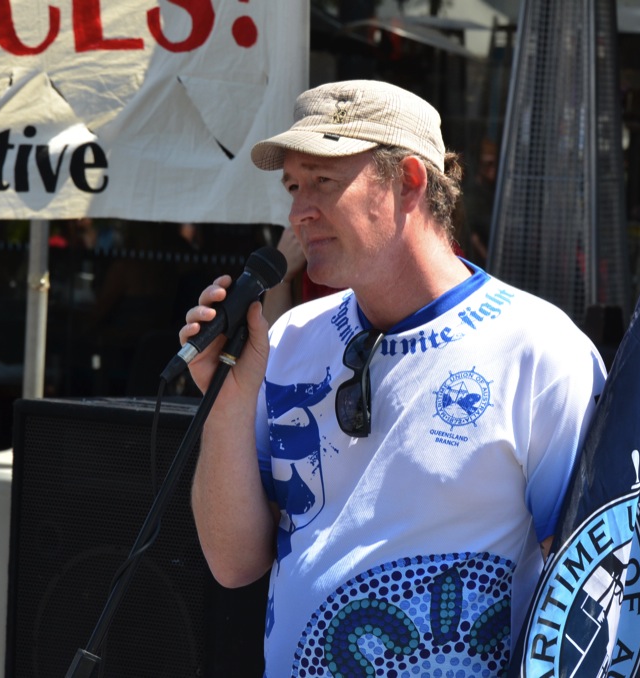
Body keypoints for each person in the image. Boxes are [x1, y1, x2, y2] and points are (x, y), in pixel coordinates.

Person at [181, 79, 607, 675]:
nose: (300, 211)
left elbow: (589, 589)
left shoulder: (538, 347)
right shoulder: (292, 338)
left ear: (410, 180)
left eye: (325, 182)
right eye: (294, 186)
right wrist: (227, 396)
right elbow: (232, 562)